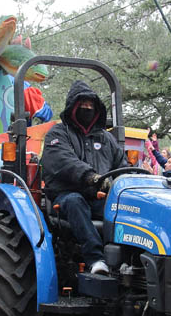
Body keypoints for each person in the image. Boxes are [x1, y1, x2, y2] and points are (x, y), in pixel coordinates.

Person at [41, 80, 128, 275]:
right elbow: (64, 161)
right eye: (83, 104)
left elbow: (122, 166)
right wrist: (91, 177)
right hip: (66, 196)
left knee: (128, 207)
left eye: (90, 105)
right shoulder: (58, 134)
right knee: (75, 202)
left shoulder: (106, 138)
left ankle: (128, 259)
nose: (87, 108)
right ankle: (96, 260)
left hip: (100, 197)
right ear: (73, 107)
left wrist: (123, 182)